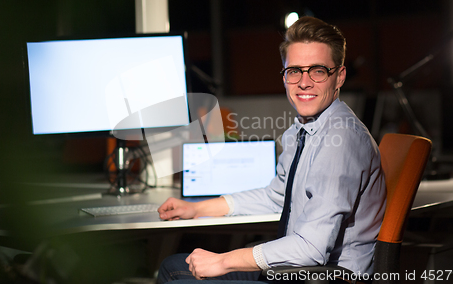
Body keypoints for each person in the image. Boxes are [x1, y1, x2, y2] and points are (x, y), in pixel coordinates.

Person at [157, 16, 386, 283]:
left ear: (339, 77)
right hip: (300, 271)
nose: (304, 82)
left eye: (318, 71)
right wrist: (197, 209)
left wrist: (223, 261)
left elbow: (311, 249)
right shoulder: (304, 129)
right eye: (294, 71)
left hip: (325, 277)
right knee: (173, 266)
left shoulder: (341, 140)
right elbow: (276, 197)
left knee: (180, 277)